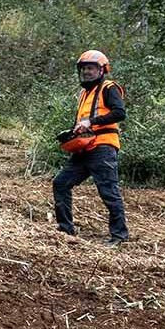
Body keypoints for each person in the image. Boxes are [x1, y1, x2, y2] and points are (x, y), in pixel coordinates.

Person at [53, 49, 130, 243]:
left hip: (103, 147)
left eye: (91, 68)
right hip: (84, 148)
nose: (86, 72)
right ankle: (65, 230)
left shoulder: (109, 88)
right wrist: (71, 134)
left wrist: (92, 122)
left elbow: (120, 113)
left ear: (102, 70)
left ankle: (119, 236)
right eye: (84, 68)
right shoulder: (83, 93)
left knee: (108, 191)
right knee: (60, 183)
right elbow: (81, 121)